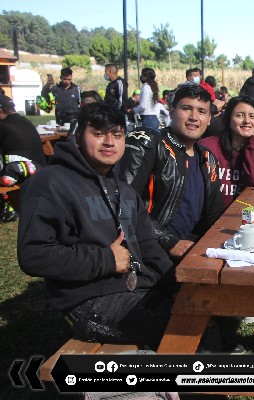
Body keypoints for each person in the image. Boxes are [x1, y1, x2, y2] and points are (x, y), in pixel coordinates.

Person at [17, 102, 175, 349]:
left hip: (137, 288)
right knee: (181, 326)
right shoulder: (51, 183)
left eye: (117, 135)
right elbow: (33, 255)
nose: (109, 142)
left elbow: (149, 247)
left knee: (198, 309)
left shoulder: (125, 192)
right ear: (79, 137)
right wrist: (106, 260)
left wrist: (176, 285)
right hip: (88, 301)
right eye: (99, 134)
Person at [119, 85, 224, 259]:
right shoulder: (149, 145)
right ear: (172, 110)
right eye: (186, 108)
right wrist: (168, 242)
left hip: (192, 250)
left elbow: (215, 213)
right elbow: (123, 204)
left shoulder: (207, 158)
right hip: (152, 252)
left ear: (209, 119)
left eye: (201, 111)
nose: (194, 117)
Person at [199, 96, 254, 208]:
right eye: (239, 115)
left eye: (252, 116)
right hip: (215, 217)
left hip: (246, 214)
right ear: (229, 119)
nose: (247, 121)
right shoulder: (207, 147)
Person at [0, 94, 47, 222]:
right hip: (41, 165)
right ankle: (22, 168)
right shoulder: (25, 121)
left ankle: (16, 170)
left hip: (19, 163)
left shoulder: (3, 125)